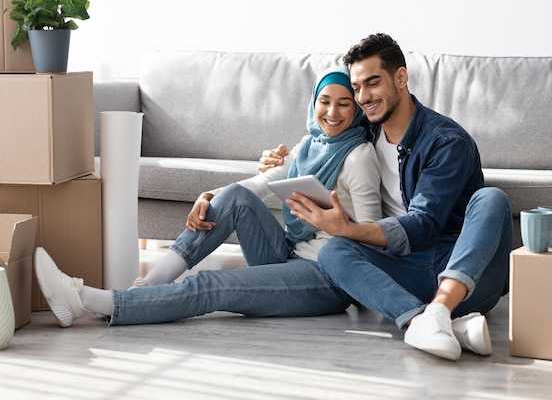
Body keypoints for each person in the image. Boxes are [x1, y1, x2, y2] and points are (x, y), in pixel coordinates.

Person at [34, 66, 382, 327]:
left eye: (344, 104)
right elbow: (267, 181)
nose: (332, 113)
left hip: (326, 277)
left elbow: (372, 235)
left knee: (212, 283)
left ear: (356, 111)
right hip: (290, 254)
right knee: (234, 195)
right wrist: (211, 194)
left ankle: (90, 300)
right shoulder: (312, 145)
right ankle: (145, 288)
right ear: (313, 103)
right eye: (325, 101)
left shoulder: (359, 155)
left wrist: (339, 226)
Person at [259, 33, 513, 361]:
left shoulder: (447, 141)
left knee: (491, 198)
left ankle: (441, 310)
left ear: (401, 77)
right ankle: (429, 321)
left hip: (463, 274)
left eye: (373, 83)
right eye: (357, 88)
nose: (364, 96)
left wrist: (348, 228)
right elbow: (321, 138)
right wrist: (279, 160)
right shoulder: (366, 130)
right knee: (333, 251)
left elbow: (423, 225)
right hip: (404, 273)